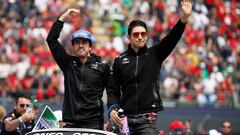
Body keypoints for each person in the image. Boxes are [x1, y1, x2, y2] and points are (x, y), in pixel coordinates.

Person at [107, 0, 192, 134]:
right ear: (129, 37)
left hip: (147, 120)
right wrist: (112, 108)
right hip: (124, 119)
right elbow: (113, 90)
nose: (140, 37)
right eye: (136, 34)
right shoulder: (119, 60)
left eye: (143, 34)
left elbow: (172, 38)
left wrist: (183, 19)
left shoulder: (155, 54)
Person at [46, 8, 109, 130]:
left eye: (84, 42)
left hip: (94, 123)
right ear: (73, 46)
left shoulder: (102, 67)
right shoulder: (67, 63)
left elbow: (112, 91)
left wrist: (112, 114)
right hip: (71, 123)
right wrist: (63, 17)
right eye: (77, 42)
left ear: (90, 46)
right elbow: (51, 40)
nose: (80, 45)